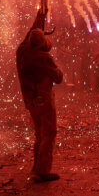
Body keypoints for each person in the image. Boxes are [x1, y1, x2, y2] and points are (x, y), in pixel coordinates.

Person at [16, 11, 63, 183]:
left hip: (30, 102)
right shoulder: (43, 58)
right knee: (49, 134)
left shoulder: (21, 53)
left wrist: (39, 18)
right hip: (44, 102)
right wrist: (56, 68)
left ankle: (36, 166)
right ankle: (42, 171)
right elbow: (59, 77)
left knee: (39, 134)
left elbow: (28, 36)